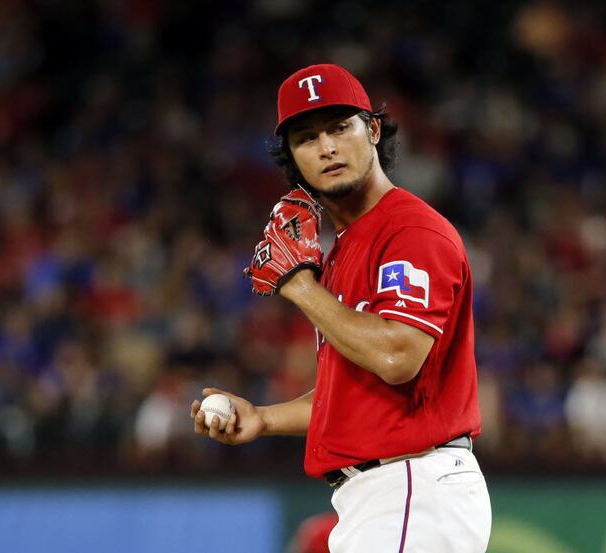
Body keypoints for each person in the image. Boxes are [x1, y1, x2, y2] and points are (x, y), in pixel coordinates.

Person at [191, 63, 492, 553]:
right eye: (307, 137)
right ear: (291, 158)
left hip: (412, 485)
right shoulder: (345, 248)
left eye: (340, 127)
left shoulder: (409, 231)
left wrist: (299, 287)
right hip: (379, 497)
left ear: (372, 130)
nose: (327, 146)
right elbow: (356, 390)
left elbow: (397, 357)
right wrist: (264, 419)